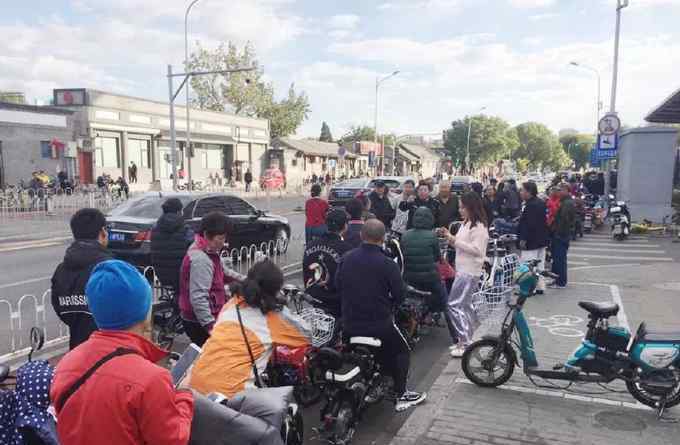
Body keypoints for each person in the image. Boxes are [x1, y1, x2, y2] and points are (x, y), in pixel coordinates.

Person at [50, 260, 193, 445]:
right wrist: (184, 393)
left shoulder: (66, 364)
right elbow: (173, 439)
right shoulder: (152, 379)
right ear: (144, 314)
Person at [335, 219, 427, 412]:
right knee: (403, 350)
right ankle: (402, 394)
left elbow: (338, 286)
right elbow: (400, 295)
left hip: (349, 324)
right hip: (379, 325)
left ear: (361, 236)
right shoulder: (387, 264)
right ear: (383, 238)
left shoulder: (346, 258)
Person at [189, 260, 312, 398]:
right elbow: (307, 336)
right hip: (228, 394)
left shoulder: (231, 304)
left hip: (195, 384)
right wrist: (280, 306)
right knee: (279, 408)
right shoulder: (272, 317)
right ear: (275, 290)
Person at [51, 208, 113, 350]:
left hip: (77, 349)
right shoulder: (111, 269)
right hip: (108, 351)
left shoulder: (61, 270)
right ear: (103, 232)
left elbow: (60, 308)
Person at [179, 212, 238, 346]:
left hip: (209, 315)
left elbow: (223, 272)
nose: (224, 243)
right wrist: (211, 327)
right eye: (220, 238)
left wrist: (247, 280)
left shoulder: (208, 249)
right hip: (199, 322)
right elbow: (199, 298)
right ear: (206, 235)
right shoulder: (201, 259)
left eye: (225, 238)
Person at [441, 192, 489, 358]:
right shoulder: (466, 224)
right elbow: (462, 246)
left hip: (469, 272)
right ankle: (466, 339)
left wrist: (454, 240)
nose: (460, 210)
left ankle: (465, 342)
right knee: (465, 305)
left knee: (454, 305)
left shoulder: (479, 227)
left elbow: (477, 251)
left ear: (471, 207)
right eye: (460, 207)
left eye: (463, 207)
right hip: (463, 270)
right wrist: (450, 238)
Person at [400, 207, 451, 328]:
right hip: (429, 278)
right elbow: (437, 258)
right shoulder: (432, 236)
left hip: (409, 277)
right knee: (442, 294)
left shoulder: (405, 235)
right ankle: (434, 312)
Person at [303, 209, 352, 317]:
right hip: (335, 302)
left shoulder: (311, 245)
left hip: (313, 297)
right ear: (345, 226)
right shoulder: (346, 249)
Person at [150, 198, 194, 296]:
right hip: (182, 275)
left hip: (161, 274)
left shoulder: (155, 228)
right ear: (179, 211)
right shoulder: (185, 229)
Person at [518, 182, 550, 294]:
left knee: (528, 265)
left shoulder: (531, 205)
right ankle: (540, 286)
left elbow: (529, 224)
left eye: (522, 190)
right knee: (539, 265)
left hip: (531, 240)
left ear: (529, 192)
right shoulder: (540, 203)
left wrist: (523, 239)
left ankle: (529, 288)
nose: (520, 192)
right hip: (541, 239)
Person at [549, 184, 576, 289]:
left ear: (567, 191)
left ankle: (561, 282)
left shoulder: (567, 203)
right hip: (560, 234)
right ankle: (556, 279)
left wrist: (558, 233)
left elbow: (564, 221)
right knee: (556, 259)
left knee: (560, 259)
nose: (558, 192)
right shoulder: (564, 202)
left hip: (561, 235)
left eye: (561, 190)